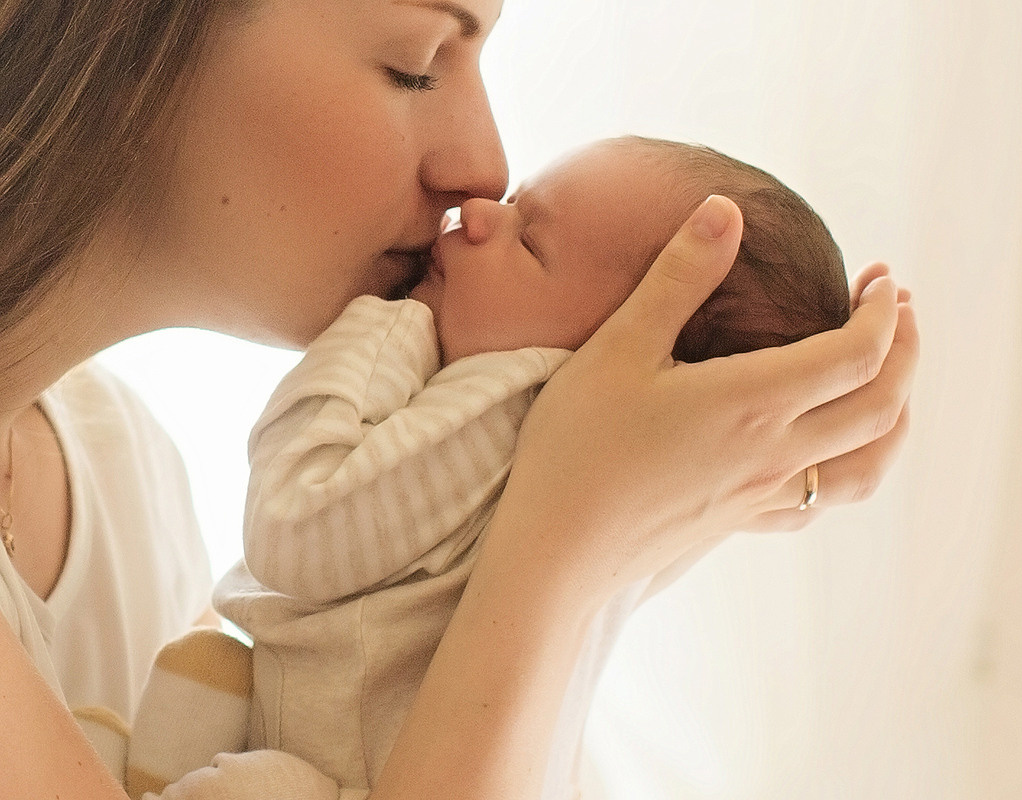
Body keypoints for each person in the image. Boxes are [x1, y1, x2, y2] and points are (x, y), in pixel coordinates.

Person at [0, 2, 918, 799]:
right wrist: (563, 539)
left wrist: (685, 497)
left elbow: (334, 699)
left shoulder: (126, 472)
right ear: (130, 35)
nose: (486, 169)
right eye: (417, 63)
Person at [154, 135, 851, 797]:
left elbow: (295, 524)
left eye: (531, 240)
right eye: (515, 201)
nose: (479, 213)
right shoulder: (630, 478)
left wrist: (382, 323)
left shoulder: (510, 402)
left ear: (625, 351)